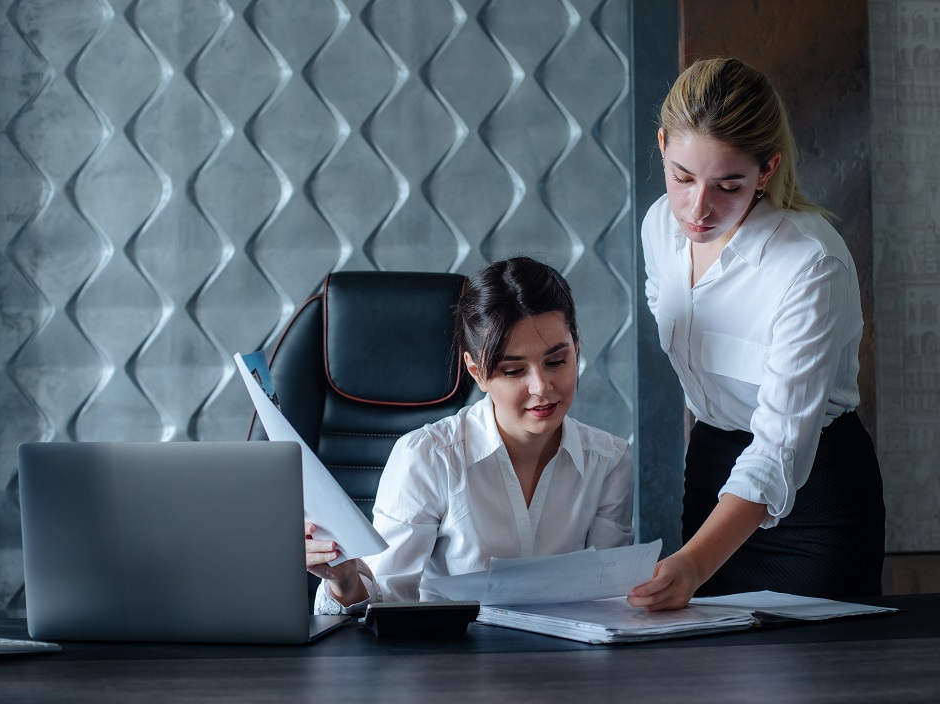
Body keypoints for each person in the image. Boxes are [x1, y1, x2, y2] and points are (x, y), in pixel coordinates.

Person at [629, 57, 885, 612]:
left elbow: (778, 447)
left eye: (728, 185)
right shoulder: (659, 229)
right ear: (662, 145)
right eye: (682, 177)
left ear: (766, 170)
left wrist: (694, 563)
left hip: (815, 493)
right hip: (712, 472)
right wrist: (695, 557)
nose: (698, 208)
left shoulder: (808, 263)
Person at [305, 256, 635, 612]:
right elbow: (384, 600)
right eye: (513, 370)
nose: (541, 387)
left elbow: (607, 599)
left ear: (577, 349)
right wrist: (345, 579)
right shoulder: (427, 457)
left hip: (566, 661)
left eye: (556, 362)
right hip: (451, 660)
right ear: (477, 373)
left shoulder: (609, 461)